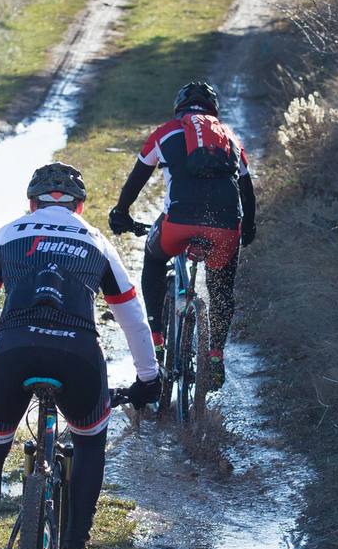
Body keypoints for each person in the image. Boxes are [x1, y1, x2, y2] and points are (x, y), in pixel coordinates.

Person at [0, 162, 161, 549]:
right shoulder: (96, 240)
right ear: (80, 205)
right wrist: (148, 377)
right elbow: (133, 318)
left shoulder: (9, 233)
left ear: (31, 203)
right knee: (88, 442)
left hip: (13, 352)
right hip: (78, 356)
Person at [106, 80, 257, 390]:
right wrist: (249, 229)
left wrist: (121, 213)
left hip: (178, 226)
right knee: (221, 289)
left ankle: (158, 341)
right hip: (226, 227)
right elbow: (247, 191)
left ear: (179, 108)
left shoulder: (166, 132)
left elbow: (136, 179)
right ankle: (215, 356)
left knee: (152, 259)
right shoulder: (230, 137)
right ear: (214, 110)